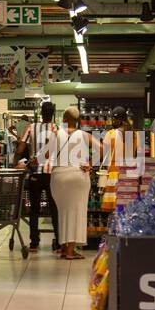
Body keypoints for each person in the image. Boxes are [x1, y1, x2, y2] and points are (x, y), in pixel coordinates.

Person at [51, 106, 92, 260]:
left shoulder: (56, 134)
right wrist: (90, 163)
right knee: (76, 213)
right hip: (77, 175)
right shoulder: (84, 135)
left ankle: (63, 248)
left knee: (63, 212)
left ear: (64, 120)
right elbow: (103, 149)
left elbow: (47, 154)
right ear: (78, 120)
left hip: (58, 177)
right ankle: (70, 251)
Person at [18, 102, 59, 251]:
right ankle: (59, 242)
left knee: (34, 209)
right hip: (51, 174)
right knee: (54, 208)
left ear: (41, 113)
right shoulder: (56, 129)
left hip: (34, 173)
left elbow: (20, 147)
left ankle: (34, 242)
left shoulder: (31, 127)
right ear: (53, 113)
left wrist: (17, 163)